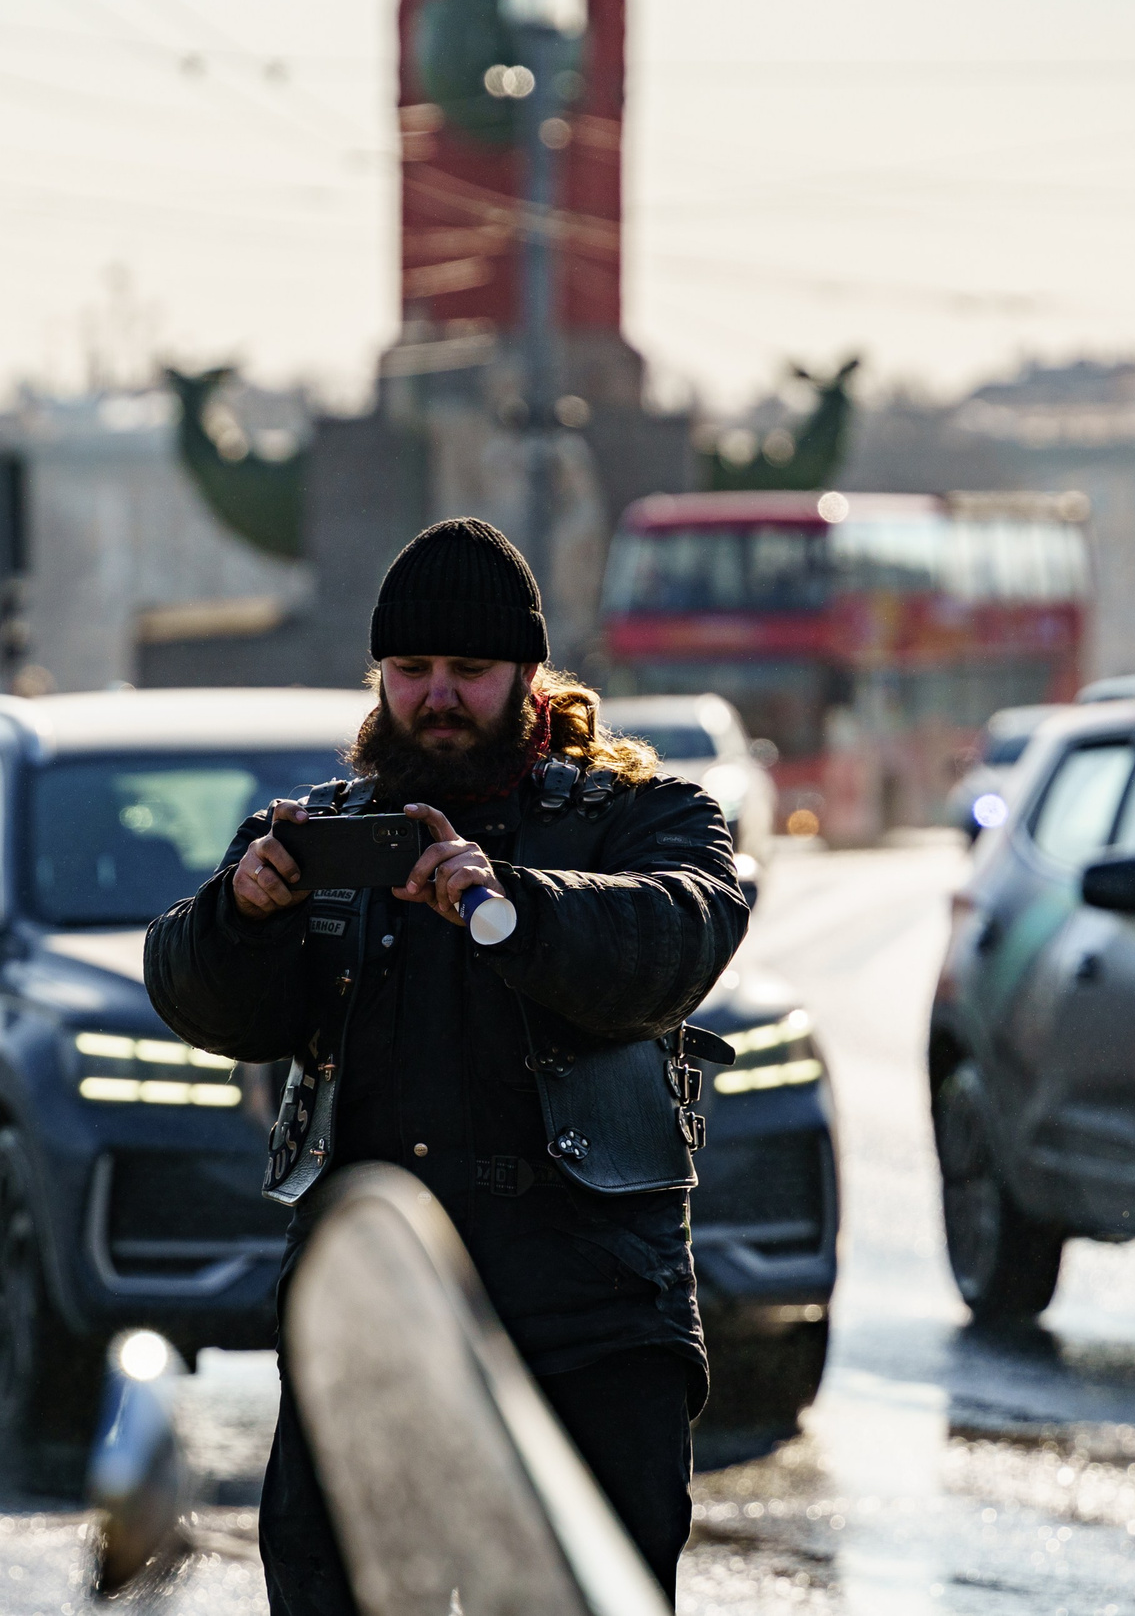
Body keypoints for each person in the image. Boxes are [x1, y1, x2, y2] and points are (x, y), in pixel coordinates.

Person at [145, 518, 749, 1612]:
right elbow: (200, 996)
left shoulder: (640, 817)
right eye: (411, 670)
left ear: (527, 674)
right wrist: (242, 913)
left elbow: (682, 930)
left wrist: (506, 904)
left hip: (591, 1312)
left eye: (468, 672)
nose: (436, 696)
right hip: (370, 1320)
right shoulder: (326, 832)